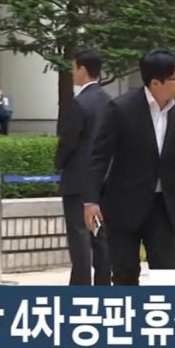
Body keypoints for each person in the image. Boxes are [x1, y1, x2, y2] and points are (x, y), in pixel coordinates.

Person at [83, 50, 175, 348]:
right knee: (125, 274)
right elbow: (99, 156)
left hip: (162, 206)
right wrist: (90, 201)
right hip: (123, 205)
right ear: (155, 82)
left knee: (165, 276)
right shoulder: (121, 109)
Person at [54, 49, 111, 286]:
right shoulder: (109, 102)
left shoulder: (78, 104)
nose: (73, 73)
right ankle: (103, 284)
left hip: (78, 181)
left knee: (79, 236)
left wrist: (59, 163)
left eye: (74, 68)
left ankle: (80, 287)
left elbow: (68, 142)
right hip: (104, 180)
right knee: (100, 235)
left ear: (83, 69)